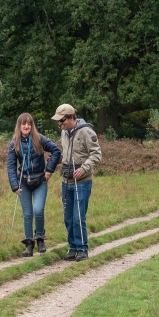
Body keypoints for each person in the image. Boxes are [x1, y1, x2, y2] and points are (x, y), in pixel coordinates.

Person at [51, 103, 102, 262]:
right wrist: (57, 160)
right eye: (58, 121)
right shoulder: (64, 133)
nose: (60, 124)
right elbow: (67, 154)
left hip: (82, 181)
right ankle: (72, 247)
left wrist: (84, 168)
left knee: (78, 217)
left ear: (71, 117)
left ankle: (82, 249)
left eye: (62, 120)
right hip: (66, 180)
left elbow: (96, 154)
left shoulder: (87, 132)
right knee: (68, 217)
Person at [7, 113, 61, 257]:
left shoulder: (39, 138)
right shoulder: (14, 143)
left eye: (29, 124)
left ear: (32, 125)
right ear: (19, 126)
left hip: (40, 181)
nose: (26, 126)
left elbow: (56, 150)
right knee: (27, 214)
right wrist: (14, 185)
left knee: (38, 210)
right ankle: (29, 244)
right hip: (23, 182)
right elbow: (11, 166)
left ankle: (40, 239)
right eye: (24, 124)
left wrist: (49, 170)